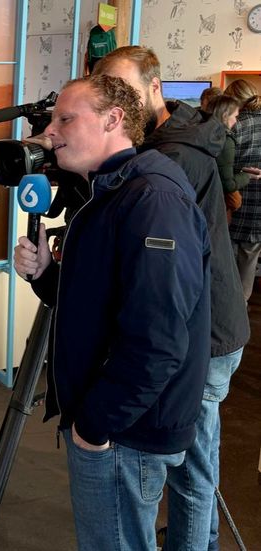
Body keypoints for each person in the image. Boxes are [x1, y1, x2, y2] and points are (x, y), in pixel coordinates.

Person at [15, 74, 211, 550]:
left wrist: (93, 426)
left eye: (66, 119)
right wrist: (45, 274)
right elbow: (99, 305)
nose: (50, 132)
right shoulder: (110, 192)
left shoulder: (153, 200)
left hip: (125, 431)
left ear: (113, 119)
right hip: (113, 422)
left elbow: (158, 341)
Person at [93, 46, 250, 551]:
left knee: (192, 468)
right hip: (204, 325)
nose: (114, 101)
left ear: (154, 87)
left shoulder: (171, 157)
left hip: (206, 333)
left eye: (123, 88)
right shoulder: (170, 141)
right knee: (194, 464)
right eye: (105, 90)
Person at [225, 79, 261, 302]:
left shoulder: (235, 125)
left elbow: (223, 165)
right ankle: (242, 305)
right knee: (249, 256)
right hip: (258, 207)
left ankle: (224, 308)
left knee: (226, 256)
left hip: (234, 199)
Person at [205, 94, 257, 222]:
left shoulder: (201, 132)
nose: (236, 121)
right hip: (215, 207)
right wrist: (247, 175)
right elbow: (228, 185)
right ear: (225, 116)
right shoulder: (224, 139)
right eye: (235, 116)